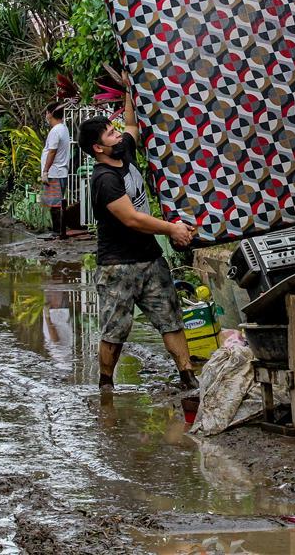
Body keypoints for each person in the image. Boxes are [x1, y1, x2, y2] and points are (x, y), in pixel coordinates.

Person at [78, 76, 198, 392]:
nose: (119, 135)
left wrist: (130, 88)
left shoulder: (123, 150)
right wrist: (172, 228)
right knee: (115, 333)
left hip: (150, 259)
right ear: (98, 148)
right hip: (118, 266)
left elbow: (132, 125)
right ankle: (106, 385)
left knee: (170, 320)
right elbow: (132, 219)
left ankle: (188, 377)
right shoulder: (104, 179)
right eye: (110, 133)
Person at [41, 102, 71, 238]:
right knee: (57, 203)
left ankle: (57, 232)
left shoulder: (55, 131)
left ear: (50, 114)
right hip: (61, 172)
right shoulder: (63, 128)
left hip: (55, 172)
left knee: (54, 204)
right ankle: (59, 231)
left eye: (47, 112)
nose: (46, 115)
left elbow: (52, 152)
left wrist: (45, 171)